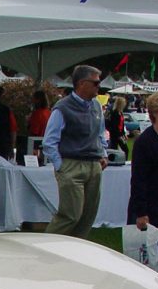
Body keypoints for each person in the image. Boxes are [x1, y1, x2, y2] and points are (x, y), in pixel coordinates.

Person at [42, 65, 108, 239]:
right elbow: (49, 141)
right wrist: (61, 166)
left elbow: (100, 133)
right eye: (95, 83)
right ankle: (47, 247)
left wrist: (103, 154)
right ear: (81, 84)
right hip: (72, 164)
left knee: (87, 217)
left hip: (94, 165)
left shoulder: (96, 106)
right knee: (70, 215)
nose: (98, 86)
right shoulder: (63, 108)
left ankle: (75, 251)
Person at [128, 91, 158, 242]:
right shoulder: (145, 142)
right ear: (155, 114)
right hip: (154, 207)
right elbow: (139, 179)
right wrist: (141, 212)